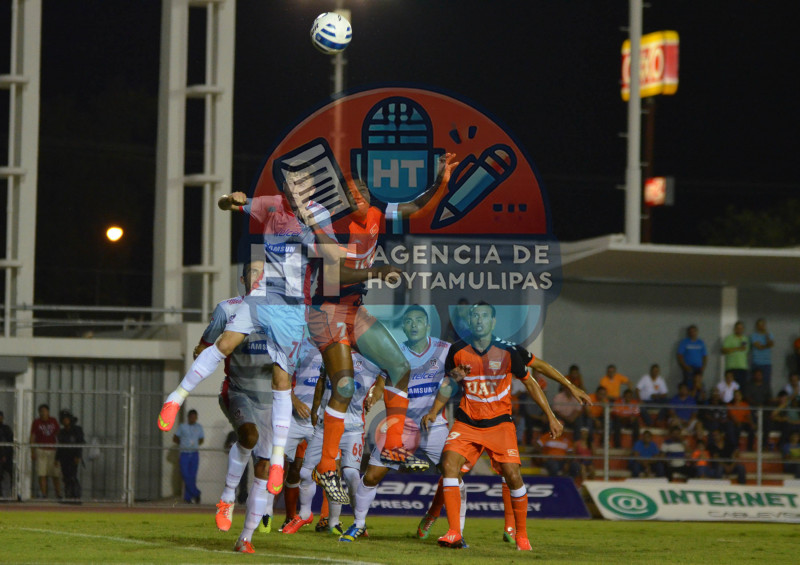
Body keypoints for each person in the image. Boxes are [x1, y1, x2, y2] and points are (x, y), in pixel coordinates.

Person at [158, 176, 377, 501]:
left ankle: (275, 465)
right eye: (290, 186)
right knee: (226, 343)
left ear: (311, 190)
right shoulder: (272, 206)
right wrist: (230, 199)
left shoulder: (319, 215)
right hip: (263, 296)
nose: (294, 191)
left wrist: (328, 243)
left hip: (292, 308)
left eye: (302, 185)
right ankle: (175, 399)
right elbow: (229, 205)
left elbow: (332, 256)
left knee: (281, 378)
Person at [307, 155, 458, 503]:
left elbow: (417, 208)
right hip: (325, 311)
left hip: (353, 309)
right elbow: (334, 276)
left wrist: (442, 180)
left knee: (400, 367)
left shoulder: (376, 212)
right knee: (344, 385)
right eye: (348, 191)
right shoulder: (335, 223)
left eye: (359, 188)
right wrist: (376, 272)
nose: (356, 194)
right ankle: (326, 465)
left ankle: (393, 448)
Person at [435, 301, 567, 551]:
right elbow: (450, 383)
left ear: (493, 322)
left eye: (485, 315)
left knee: (513, 475)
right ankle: (454, 532)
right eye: (475, 316)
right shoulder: (457, 350)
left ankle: (521, 535)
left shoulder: (508, 352)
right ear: (470, 321)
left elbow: (530, 382)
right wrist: (436, 408)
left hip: (499, 425)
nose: (479, 319)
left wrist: (550, 415)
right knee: (449, 466)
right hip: (467, 422)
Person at [344, 305, 452, 543]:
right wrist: (374, 392)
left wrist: (437, 408)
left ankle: (441, 521)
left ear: (427, 326)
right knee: (371, 476)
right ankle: (359, 524)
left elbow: (453, 378)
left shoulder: (444, 350)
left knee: (453, 475)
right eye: (409, 321)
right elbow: (382, 380)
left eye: (418, 320)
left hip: (433, 426)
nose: (414, 325)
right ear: (403, 327)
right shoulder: (393, 352)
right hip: (399, 425)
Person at [282, 350, 384, 536]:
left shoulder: (373, 357)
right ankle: (305, 513)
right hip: (325, 425)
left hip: (353, 428)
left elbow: (386, 376)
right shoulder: (332, 352)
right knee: (305, 472)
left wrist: (375, 394)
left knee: (351, 474)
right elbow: (321, 380)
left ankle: (358, 522)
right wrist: (315, 409)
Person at [279, 338, 324, 533]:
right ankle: (278, 515)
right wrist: (295, 401)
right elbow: (280, 379)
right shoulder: (297, 345)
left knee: (330, 469)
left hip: (319, 420)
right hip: (295, 418)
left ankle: (331, 520)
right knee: (280, 465)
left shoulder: (333, 347)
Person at [30, 404, 61, 498]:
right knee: (42, 473)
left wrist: (59, 450)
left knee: (55, 474)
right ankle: (44, 494)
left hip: (53, 450)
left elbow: (59, 434)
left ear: (48, 412)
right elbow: (32, 437)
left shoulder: (53, 421)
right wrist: (32, 451)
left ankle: (58, 494)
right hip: (41, 449)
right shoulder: (36, 422)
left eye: (45, 411)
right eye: (41, 411)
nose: (43, 413)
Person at [174, 409, 204, 504]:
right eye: (191, 417)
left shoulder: (199, 427)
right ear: (188, 417)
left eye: (195, 417)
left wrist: (194, 445)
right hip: (185, 453)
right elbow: (175, 438)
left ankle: (188, 497)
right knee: (185, 474)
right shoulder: (182, 426)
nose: (193, 419)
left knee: (192, 476)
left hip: (194, 453)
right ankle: (196, 493)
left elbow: (201, 439)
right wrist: (183, 444)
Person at [55, 410, 84, 501]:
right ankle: (68, 496)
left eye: (66, 419)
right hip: (64, 458)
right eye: (63, 419)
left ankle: (76, 495)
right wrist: (57, 458)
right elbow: (59, 446)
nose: (65, 421)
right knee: (66, 477)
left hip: (73, 457)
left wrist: (78, 456)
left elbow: (80, 443)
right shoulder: (62, 432)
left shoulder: (77, 430)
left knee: (72, 476)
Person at [721, 321, 750, 388]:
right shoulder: (729, 338)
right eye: (738, 328)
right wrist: (737, 348)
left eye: (741, 328)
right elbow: (723, 350)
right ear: (734, 329)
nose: (739, 330)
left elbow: (746, 351)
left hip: (742, 368)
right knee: (730, 387)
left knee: (742, 388)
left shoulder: (745, 339)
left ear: (743, 329)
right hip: (731, 368)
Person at [223, 431, 249, 505]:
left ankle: (242, 498)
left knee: (244, 480)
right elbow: (226, 446)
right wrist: (231, 447)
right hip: (233, 460)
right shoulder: (232, 434)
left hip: (244, 460)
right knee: (231, 479)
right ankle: (230, 498)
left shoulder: (247, 433)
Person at [750, 318, 774, 390]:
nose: (762, 326)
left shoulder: (769, 335)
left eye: (763, 324)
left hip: (767, 362)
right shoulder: (754, 336)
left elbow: (771, 344)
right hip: (757, 362)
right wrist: (767, 345)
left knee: (766, 382)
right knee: (755, 382)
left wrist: (766, 336)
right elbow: (759, 347)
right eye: (760, 325)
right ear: (757, 326)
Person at [0, 411, 13, 498]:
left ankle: (12, 494)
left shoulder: (6, 428)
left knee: (10, 474)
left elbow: (10, 442)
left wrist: (5, 455)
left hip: (7, 456)